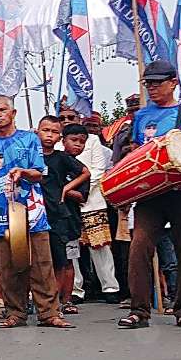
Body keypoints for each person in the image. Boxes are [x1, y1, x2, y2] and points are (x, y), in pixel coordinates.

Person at [0, 95, 73, 329]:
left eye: (2, 110)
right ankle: (15, 313)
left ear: (13, 113)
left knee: (41, 264)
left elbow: (39, 173)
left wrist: (22, 172)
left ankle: (49, 313)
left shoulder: (29, 140)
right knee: (7, 266)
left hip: (32, 211)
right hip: (0, 213)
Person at [117, 60, 181, 329]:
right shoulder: (141, 116)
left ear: (173, 82)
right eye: (148, 83)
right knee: (139, 247)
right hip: (150, 193)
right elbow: (135, 152)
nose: (152, 88)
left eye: (157, 82)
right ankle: (139, 310)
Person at [39, 120, 90, 312]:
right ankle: (46, 300)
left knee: (66, 260)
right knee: (44, 260)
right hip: (42, 214)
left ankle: (66, 300)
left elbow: (85, 175)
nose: (49, 135)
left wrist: (65, 189)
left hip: (67, 217)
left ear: (59, 137)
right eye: (45, 130)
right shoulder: (33, 156)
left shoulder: (64, 159)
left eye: (54, 132)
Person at [74, 113, 121, 302]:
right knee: (72, 248)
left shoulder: (92, 140)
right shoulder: (58, 143)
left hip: (92, 201)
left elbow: (98, 170)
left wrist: (80, 191)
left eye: (70, 116)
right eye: (63, 117)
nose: (66, 120)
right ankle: (75, 289)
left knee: (100, 246)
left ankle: (110, 287)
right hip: (68, 203)